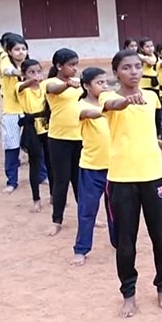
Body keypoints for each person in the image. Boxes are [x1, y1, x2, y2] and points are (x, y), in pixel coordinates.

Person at [100, 49, 162, 318]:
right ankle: (128, 294)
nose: (134, 72)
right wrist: (126, 102)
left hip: (155, 175)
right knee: (125, 241)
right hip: (122, 179)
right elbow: (113, 106)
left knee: (161, 238)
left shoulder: (151, 96)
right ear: (116, 72)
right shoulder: (107, 97)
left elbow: (149, 128)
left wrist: (157, 143)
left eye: (138, 67)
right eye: (127, 67)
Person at [71, 67, 115, 265]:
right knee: (87, 211)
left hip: (115, 166)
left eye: (106, 82)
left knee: (116, 210)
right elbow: (89, 113)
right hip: (91, 167)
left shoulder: (112, 100)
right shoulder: (80, 105)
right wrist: (109, 109)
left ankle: (118, 243)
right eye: (99, 83)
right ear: (87, 86)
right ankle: (81, 249)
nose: (104, 86)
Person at [44, 48, 83, 236]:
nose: (75, 68)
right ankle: (56, 220)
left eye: (76, 65)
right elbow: (54, 89)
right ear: (59, 66)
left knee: (79, 180)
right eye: (71, 65)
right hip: (59, 139)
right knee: (61, 180)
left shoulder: (78, 84)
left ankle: (86, 216)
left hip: (80, 137)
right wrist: (68, 84)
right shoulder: (50, 83)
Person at [15, 57, 53, 212]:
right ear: (24, 74)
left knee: (51, 164)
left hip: (47, 127)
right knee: (35, 164)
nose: (36, 75)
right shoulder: (21, 87)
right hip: (32, 129)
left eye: (38, 71)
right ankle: (36, 199)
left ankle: (53, 195)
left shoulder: (44, 86)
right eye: (31, 72)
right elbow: (22, 85)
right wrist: (31, 81)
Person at [0, 35, 30, 193]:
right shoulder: (5, 61)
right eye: (17, 49)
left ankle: (41, 175)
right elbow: (8, 71)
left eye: (24, 49)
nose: (21, 52)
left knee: (37, 146)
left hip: (29, 110)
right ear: (9, 51)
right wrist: (22, 73)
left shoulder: (30, 65)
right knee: (12, 147)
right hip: (11, 112)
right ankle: (12, 181)